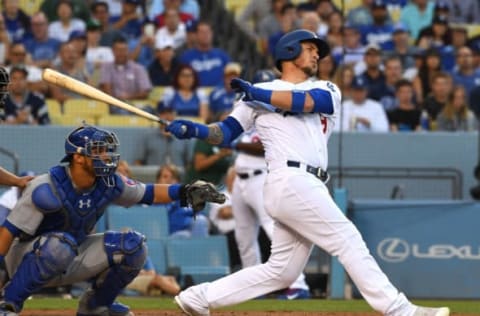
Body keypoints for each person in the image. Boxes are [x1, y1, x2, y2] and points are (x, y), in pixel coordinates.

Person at [166, 29, 450, 316]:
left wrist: (256, 92)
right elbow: (224, 134)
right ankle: (398, 309)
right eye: (310, 48)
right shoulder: (251, 99)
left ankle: (198, 297)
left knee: (282, 272)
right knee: (347, 238)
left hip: (305, 184)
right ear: (289, 51)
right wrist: (194, 129)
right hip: (289, 180)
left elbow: (310, 103)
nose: (317, 54)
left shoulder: (327, 88)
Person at [0, 123, 225, 315]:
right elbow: (7, 233)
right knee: (60, 245)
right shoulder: (45, 187)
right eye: (98, 150)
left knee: (133, 246)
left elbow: (148, 193)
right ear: (78, 157)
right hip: (25, 258)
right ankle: (8, 303)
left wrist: (185, 191)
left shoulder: (109, 182)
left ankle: (96, 306)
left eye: (106, 150)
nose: (106, 156)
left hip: (71, 253)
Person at [134, 101, 194, 172]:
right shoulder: (147, 136)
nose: (167, 116)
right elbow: (138, 162)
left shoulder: (184, 136)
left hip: (178, 179)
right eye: (163, 113)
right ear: (158, 115)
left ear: (175, 114)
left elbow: (190, 164)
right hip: (152, 178)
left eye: (170, 113)